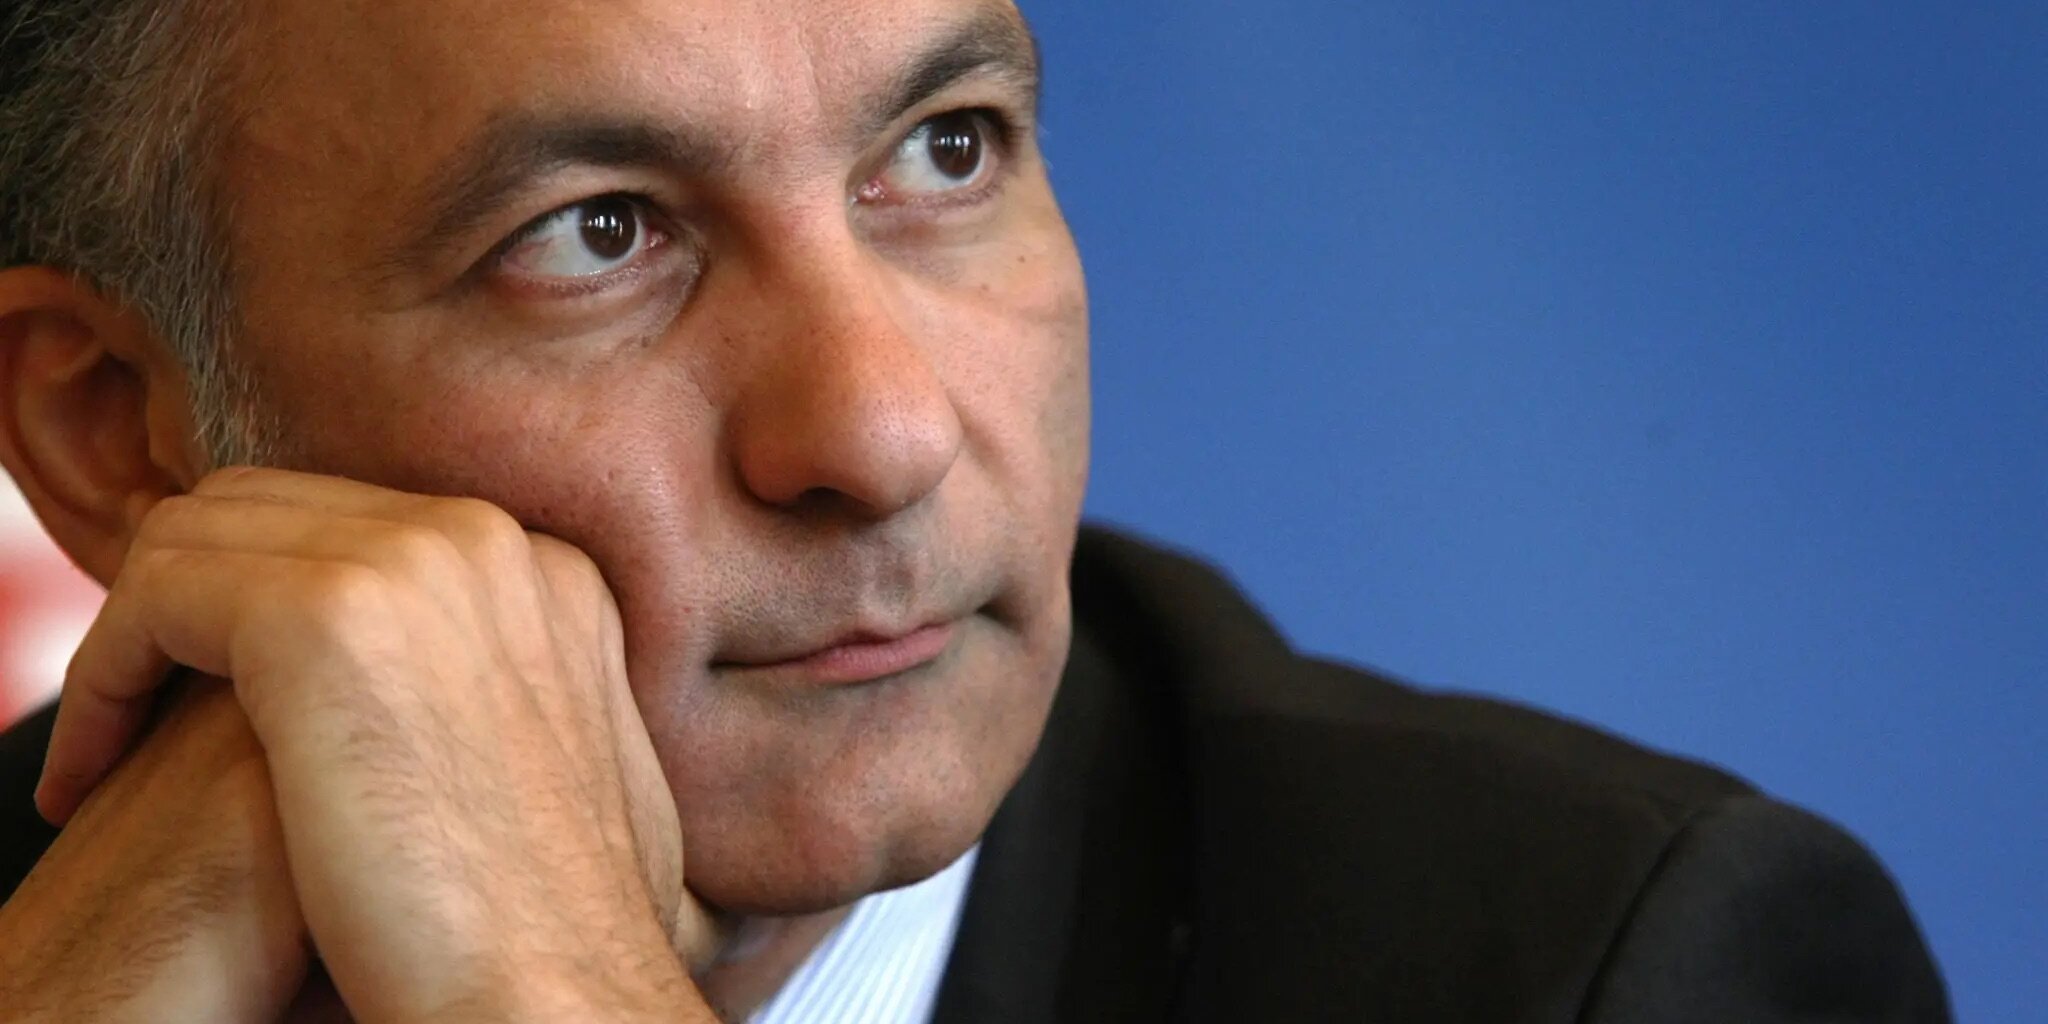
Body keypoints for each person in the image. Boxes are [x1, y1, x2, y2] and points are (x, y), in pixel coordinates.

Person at [0, 1, 1950, 1021]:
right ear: (113, 434)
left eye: (945, 151)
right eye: (597, 234)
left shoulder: (1607, 966)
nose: (884, 430)